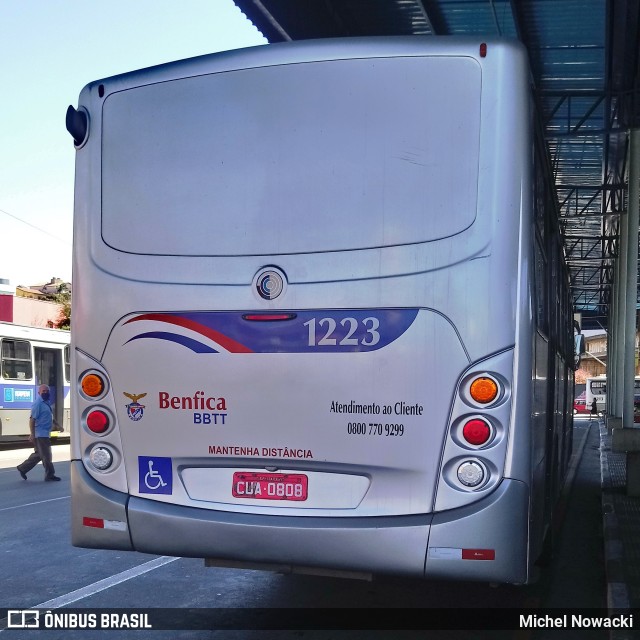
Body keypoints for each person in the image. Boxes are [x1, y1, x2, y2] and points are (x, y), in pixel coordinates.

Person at [17, 384, 61, 481]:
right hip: (40, 434)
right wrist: (32, 434)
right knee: (47, 455)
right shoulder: (38, 404)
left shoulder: (46, 402)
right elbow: (32, 420)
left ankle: (23, 468)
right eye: (43, 391)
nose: (45, 392)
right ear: (39, 393)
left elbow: (50, 417)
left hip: (44, 433)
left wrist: (58, 425)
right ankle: (49, 475)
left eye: (47, 391)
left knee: (39, 454)